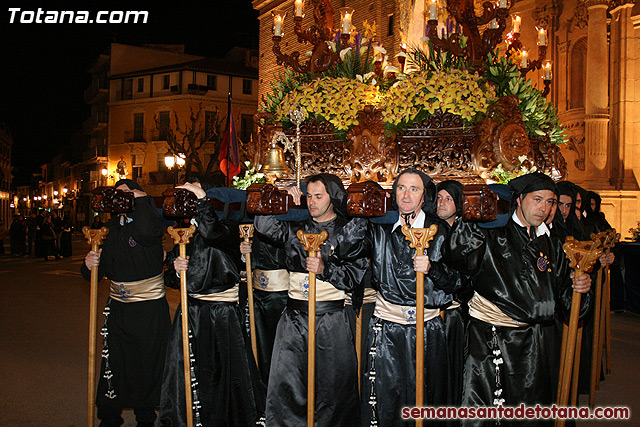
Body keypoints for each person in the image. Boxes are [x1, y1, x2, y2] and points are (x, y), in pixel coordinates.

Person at [444, 172, 592, 422]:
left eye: (550, 202)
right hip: (490, 340)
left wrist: (580, 288)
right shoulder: (492, 234)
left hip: (533, 344)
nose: (543, 208)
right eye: (537, 199)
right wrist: (469, 218)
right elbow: (459, 257)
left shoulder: (553, 244)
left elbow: (566, 303)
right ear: (520, 199)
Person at [254, 173, 367, 426]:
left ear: (333, 197)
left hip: (331, 321)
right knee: (289, 384)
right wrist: (281, 198)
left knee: (332, 389)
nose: (311, 202)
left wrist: (325, 269)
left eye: (318, 196)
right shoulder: (297, 229)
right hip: (294, 321)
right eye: (308, 196)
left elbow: (354, 276)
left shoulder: (347, 231)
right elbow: (263, 226)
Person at [160, 180, 265, 426]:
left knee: (227, 372)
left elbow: (212, 233)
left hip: (224, 313)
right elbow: (170, 279)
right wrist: (176, 271)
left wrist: (201, 198)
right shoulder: (182, 233)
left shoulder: (229, 228)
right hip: (193, 311)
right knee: (193, 371)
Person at [361, 168, 460, 426]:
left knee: (427, 398)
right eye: (401, 188)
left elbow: (460, 282)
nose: (406, 195)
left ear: (423, 195)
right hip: (387, 330)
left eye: (413, 189)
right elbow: (349, 250)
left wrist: (432, 269)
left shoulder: (439, 232)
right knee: (386, 399)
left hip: (426, 330)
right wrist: (360, 213)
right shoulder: (380, 228)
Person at [82, 179, 170, 427]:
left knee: (146, 364)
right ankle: (110, 416)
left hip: (149, 308)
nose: (121, 199)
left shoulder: (148, 224)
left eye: (126, 194)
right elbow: (96, 275)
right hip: (118, 308)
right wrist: (89, 265)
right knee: (114, 363)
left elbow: (146, 232)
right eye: (117, 195)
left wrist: (140, 198)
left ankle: (145, 417)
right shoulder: (108, 230)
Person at [435, 179, 473, 408]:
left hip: (454, 314)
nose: (442, 203)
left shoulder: (466, 232)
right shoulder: (426, 228)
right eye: (439, 198)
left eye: (448, 199)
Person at [239, 231, 289, 386]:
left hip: (284, 298)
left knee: (284, 351)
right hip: (258, 298)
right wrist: (244, 253)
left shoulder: (290, 223)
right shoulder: (254, 223)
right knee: (260, 350)